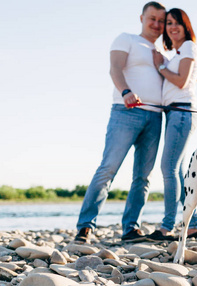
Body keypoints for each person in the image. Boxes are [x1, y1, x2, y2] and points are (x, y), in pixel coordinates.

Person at [75, 2, 167, 243]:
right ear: (142, 18)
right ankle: (85, 226)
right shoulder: (126, 39)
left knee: (143, 177)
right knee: (108, 169)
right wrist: (126, 91)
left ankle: (130, 228)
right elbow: (114, 68)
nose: (156, 24)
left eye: (161, 20)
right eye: (152, 18)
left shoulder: (161, 53)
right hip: (126, 112)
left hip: (155, 116)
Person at [147, 8, 197, 240]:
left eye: (177, 23)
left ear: (186, 26)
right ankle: (195, 226)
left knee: (168, 168)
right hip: (174, 113)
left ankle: (167, 226)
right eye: (168, 23)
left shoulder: (189, 47)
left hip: (181, 112)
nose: (172, 27)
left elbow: (181, 82)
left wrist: (160, 66)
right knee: (178, 172)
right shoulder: (179, 52)